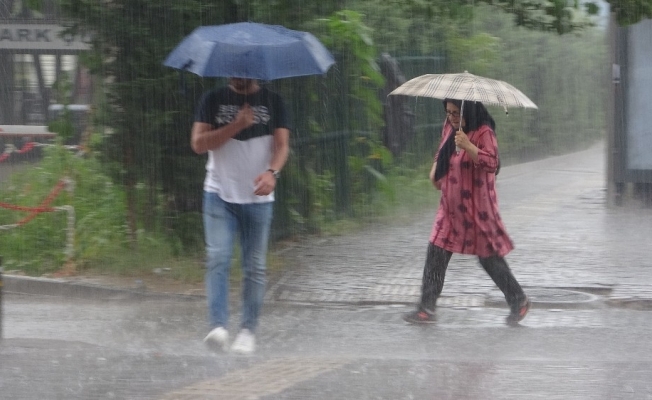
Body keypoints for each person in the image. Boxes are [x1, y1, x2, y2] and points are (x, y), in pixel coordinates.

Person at [403, 99, 530, 325]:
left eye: (455, 113)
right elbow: (442, 150)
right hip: (450, 209)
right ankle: (426, 308)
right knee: (436, 252)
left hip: (477, 210)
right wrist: (435, 170)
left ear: (468, 111)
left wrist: (469, 146)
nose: (451, 118)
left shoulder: (484, 132)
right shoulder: (449, 126)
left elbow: (493, 163)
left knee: (488, 258)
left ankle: (518, 300)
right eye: (448, 112)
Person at [191, 77, 291, 353]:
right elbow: (198, 144)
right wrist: (236, 124)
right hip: (218, 194)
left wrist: (272, 173)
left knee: (254, 267)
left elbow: (282, 145)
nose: (236, 76)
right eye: (232, 70)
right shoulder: (212, 99)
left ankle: (248, 330)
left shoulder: (274, 102)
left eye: (243, 71)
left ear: (256, 73)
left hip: (258, 199)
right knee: (218, 258)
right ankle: (218, 326)